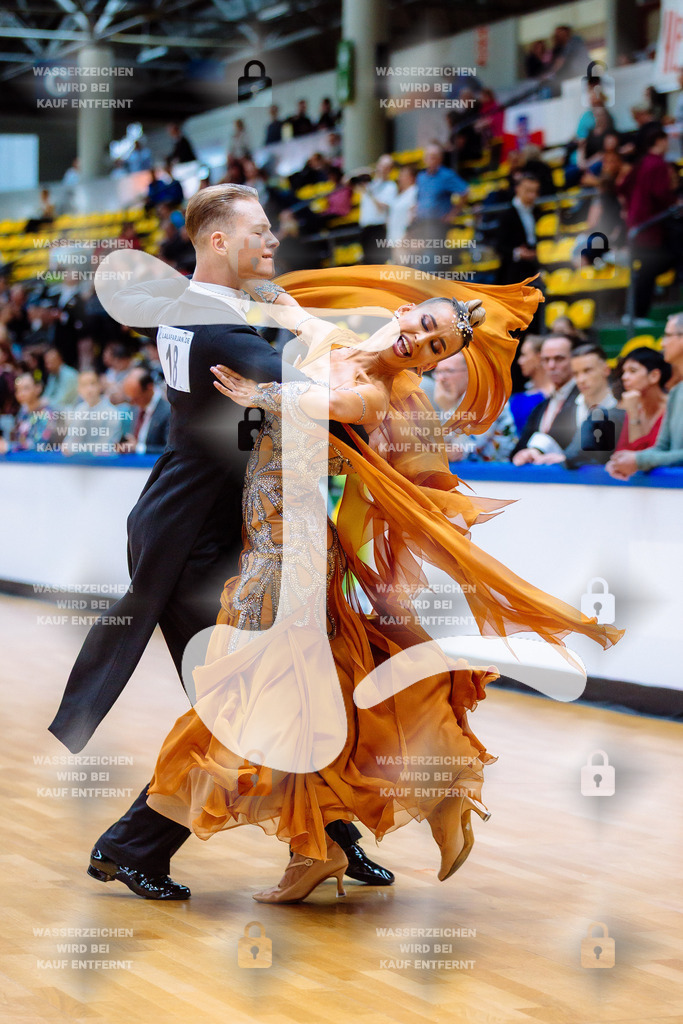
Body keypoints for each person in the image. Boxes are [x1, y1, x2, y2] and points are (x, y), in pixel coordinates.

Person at [145, 267, 622, 902]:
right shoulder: (334, 340)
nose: (419, 344)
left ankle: (319, 836)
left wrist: (260, 395)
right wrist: (221, 275)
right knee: (327, 698)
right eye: (423, 326)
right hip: (270, 545)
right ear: (404, 312)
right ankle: (345, 833)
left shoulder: (379, 391)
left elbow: (333, 409)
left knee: (256, 701)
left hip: (293, 559)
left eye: (435, 350)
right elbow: (287, 307)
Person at [49, 184, 394, 898]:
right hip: (193, 543)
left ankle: (326, 837)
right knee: (247, 700)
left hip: (189, 525)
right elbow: (324, 398)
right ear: (216, 241)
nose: (273, 242)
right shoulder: (217, 332)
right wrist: (388, 351)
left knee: (289, 685)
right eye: (259, 232)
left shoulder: (201, 313)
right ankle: (131, 846)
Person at [607, 313, 683, 478]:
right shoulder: (677, 392)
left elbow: (644, 456)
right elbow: (660, 448)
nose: (662, 343)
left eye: (668, 336)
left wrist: (639, 460)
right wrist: (622, 461)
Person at [531, 344, 624, 467]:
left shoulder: (621, 405)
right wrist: (535, 450)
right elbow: (552, 438)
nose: (581, 379)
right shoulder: (569, 406)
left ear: (606, 370)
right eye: (576, 374)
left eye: (587, 371)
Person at [618, 127, 676, 321]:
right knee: (651, 268)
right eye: (665, 140)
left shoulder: (641, 162)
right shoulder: (658, 164)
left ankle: (633, 312)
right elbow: (660, 194)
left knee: (645, 269)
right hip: (649, 225)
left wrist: (630, 207)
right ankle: (638, 313)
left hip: (636, 222)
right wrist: (674, 204)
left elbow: (623, 186)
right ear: (659, 141)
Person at [433, 351, 517, 462]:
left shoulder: (487, 399)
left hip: (498, 475)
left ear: (470, 373)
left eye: (449, 371)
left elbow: (462, 452)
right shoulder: (449, 400)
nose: (441, 378)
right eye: (438, 372)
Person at [511, 334, 579, 463]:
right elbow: (518, 450)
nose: (552, 366)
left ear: (574, 360)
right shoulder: (541, 407)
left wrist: (537, 450)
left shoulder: (584, 400)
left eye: (559, 359)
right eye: (546, 360)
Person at [413, 144, 468, 271]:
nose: (430, 160)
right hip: (421, 223)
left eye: (434, 157)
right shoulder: (421, 177)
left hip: (438, 224)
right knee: (419, 255)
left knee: (432, 256)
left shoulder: (446, 175)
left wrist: (453, 213)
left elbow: (465, 192)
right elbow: (420, 197)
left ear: (440, 159)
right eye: (428, 157)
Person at [613, 347, 670, 452]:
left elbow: (640, 458)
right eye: (623, 372)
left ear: (654, 376)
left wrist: (634, 415)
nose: (624, 377)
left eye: (632, 371)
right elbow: (621, 452)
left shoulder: (672, 408)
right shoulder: (634, 406)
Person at [61, 370, 124, 457]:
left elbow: (106, 447)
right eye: (84, 385)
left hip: (105, 465)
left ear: (100, 386)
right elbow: (69, 443)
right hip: (79, 463)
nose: (89, 389)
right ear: (78, 389)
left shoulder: (112, 412)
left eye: (93, 384)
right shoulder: (79, 409)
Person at [0, 373, 62, 454]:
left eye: (26, 388)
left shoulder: (47, 413)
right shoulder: (23, 412)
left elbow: (39, 445)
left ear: (38, 388)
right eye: (18, 390)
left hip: (42, 462)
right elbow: (17, 438)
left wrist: (8, 446)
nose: (21, 393)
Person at [495, 174, 540, 285]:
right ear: (518, 189)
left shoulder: (537, 211)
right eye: (528, 191)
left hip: (533, 265)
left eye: (535, 191)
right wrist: (518, 252)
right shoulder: (507, 214)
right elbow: (499, 245)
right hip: (513, 271)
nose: (532, 195)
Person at [120, 367, 171, 455]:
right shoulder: (135, 409)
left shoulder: (168, 412)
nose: (133, 403)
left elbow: (169, 450)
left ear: (149, 387)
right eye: (130, 399)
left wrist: (139, 448)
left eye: (136, 398)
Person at [357, 154, 398, 264]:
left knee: (377, 262)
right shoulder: (370, 183)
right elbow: (347, 182)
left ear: (390, 169)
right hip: (365, 227)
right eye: (381, 165)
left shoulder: (391, 186)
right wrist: (363, 171)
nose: (382, 169)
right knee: (366, 262)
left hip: (378, 228)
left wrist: (370, 193)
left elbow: (382, 208)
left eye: (386, 167)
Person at [509, 334, 552, 434]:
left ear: (538, 357)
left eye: (524, 355)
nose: (520, 361)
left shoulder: (553, 395)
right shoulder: (525, 392)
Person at [386, 165, 418, 257]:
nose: (399, 178)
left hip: (405, 238)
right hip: (394, 237)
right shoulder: (400, 194)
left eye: (403, 175)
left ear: (411, 177)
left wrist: (406, 235)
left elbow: (414, 214)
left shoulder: (415, 191)